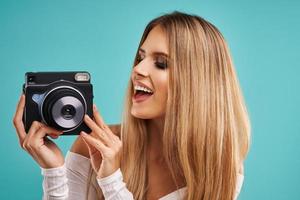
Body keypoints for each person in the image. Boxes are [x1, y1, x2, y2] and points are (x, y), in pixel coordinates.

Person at [13, 11, 250, 200]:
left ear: (199, 82)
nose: (138, 69)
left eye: (161, 63)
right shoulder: (93, 148)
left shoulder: (222, 171)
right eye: (140, 57)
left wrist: (111, 180)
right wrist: (53, 170)